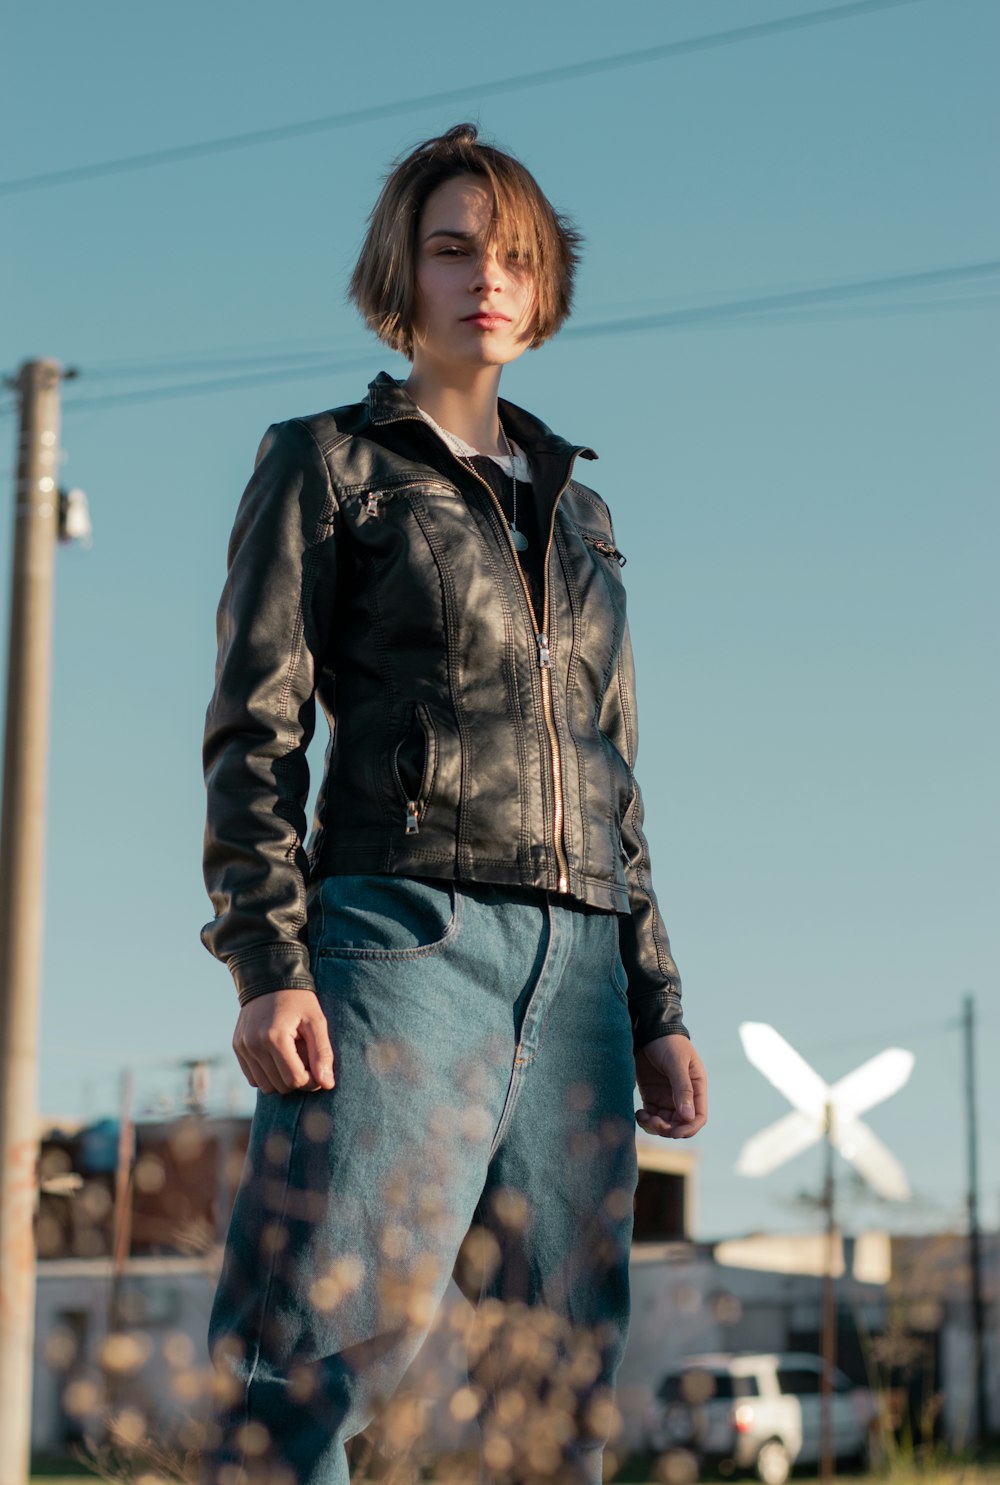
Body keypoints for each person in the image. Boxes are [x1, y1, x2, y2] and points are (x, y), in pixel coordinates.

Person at [198, 123, 707, 1485]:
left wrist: (654, 1001)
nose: (487, 275)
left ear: (546, 292)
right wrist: (266, 958)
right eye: (453, 248)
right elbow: (258, 726)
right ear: (402, 274)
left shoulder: (584, 518)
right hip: (402, 940)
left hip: (585, 972)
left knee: (547, 1395)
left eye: (517, 256)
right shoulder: (329, 464)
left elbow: (612, 772)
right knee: (319, 1347)